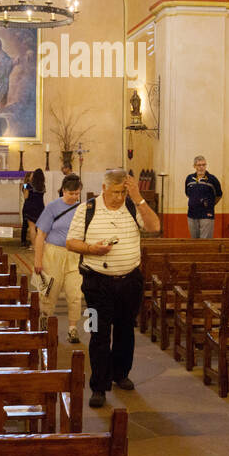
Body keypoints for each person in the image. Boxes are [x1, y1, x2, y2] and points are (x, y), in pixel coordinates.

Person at [65, 168, 161, 408]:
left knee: (125, 330)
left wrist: (138, 197)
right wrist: (92, 249)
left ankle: (120, 374)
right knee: (98, 333)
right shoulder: (87, 209)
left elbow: (154, 227)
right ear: (104, 188)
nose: (119, 197)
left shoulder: (132, 206)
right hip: (97, 283)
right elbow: (71, 242)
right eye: (116, 192)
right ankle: (99, 385)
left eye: (123, 192)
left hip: (130, 282)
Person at [32, 174, 84, 344]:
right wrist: (38, 260)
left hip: (74, 255)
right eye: (71, 194)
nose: (75, 197)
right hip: (53, 254)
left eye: (77, 194)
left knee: (75, 293)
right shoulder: (52, 207)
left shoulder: (82, 209)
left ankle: (72, 329)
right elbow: (40, 235)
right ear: (63, 190)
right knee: (49, 291)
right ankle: (45, 322)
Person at [184, 155, 223, 238]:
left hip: (207, 215)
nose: (202, 167)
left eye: (204, 165)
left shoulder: (212, 179)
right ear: (194, 166)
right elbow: (188, 194)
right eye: (199, 165)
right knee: (194, 242)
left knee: (205, 243)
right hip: (192, 214)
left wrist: (210, 204)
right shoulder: (189, 178)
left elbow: (219, 195)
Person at [20, 168, 45, 246]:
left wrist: (25, 184)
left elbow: (26, 197)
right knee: (38, 228)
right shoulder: (43, 186)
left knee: (32, 228)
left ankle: (34, 246)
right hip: (40, 207)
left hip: (30, 207)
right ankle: (38, 244)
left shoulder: (28, 185)